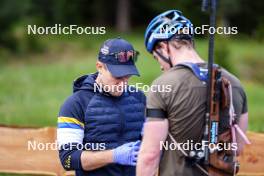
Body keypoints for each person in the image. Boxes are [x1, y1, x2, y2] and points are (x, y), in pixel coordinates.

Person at [137, 10, 248, 176]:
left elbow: (150, 156)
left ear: (163, 46)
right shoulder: (236, 84)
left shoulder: (162, 86)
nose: (160, 65)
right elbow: (238, 147)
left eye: (156, 57)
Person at [57, 38, 146, 176]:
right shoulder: (75, 104)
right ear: (99, 67)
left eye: (127, 77)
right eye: (117, 77)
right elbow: (67, 159)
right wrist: (113, 156)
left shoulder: (139, 98)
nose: (123, 84)